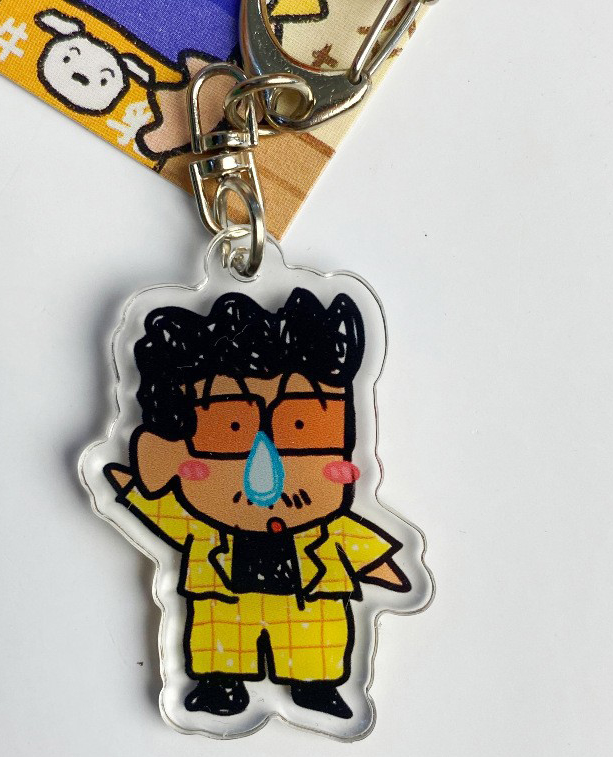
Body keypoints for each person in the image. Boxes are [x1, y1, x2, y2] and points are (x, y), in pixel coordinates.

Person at [105, 288, 409, 718]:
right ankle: (220, 685)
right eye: (232, 429)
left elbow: (352, 539)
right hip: (224, 605)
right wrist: (132, 482)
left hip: (308, 608)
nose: (265, 469)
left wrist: (382, 567)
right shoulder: (201, 528)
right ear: (174, 451)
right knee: (221, 643)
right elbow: (163, 513)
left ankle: (315, 687)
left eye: (300, 427)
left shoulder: (326, 529)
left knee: (312, 648)